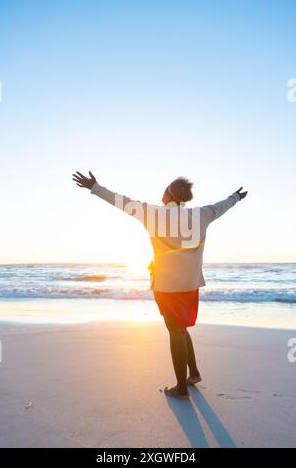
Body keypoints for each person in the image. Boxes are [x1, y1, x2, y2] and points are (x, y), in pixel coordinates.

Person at [72, 171, 248, 400]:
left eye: (165, 190)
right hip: (190, 284)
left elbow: (121, 202)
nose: (162, 194)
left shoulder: (152, 214)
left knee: (175, 331)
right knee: (181, 328)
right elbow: (222, 206)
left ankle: (181, 388)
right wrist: (235, 196)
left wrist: (95, 187)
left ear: (170, 194)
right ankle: (193, 373)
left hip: (166, 285)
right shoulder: (201, 214)